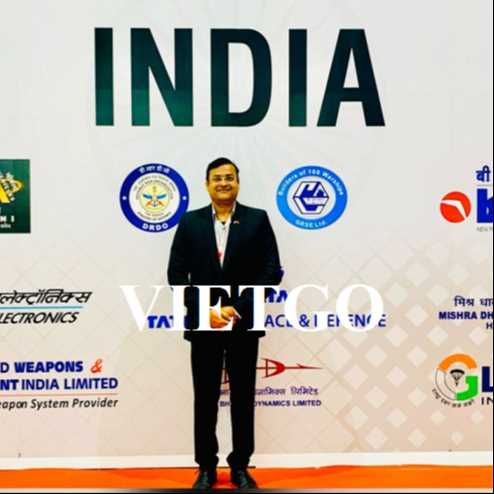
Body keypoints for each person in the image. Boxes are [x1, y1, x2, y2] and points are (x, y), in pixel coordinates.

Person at [167, 157, 282, 490]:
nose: (223, 183)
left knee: (243, 398)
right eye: (217, 178)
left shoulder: (257, 220)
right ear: (207, 184)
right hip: (205, 325)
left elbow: (270, 271)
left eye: (229, 177)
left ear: (238, 183)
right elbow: (176, 275)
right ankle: (206, 467)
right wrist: (208, 311)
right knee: (205, 398)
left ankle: (240, 466)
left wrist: (235, 308)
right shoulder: (189, 222)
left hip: (243, 323)